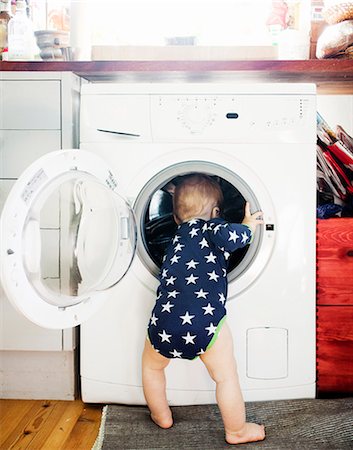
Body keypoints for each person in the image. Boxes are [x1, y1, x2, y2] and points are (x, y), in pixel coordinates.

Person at [142, 174, 265, 445]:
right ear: (216, 212)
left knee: (152, 369)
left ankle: (161, 414)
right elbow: (235, 239)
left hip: (164, 323)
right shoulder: (212, 228)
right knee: (225, 377)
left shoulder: (172, 241)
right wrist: (248, 224)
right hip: (206, 324)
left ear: (175, 218)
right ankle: (237, 430)